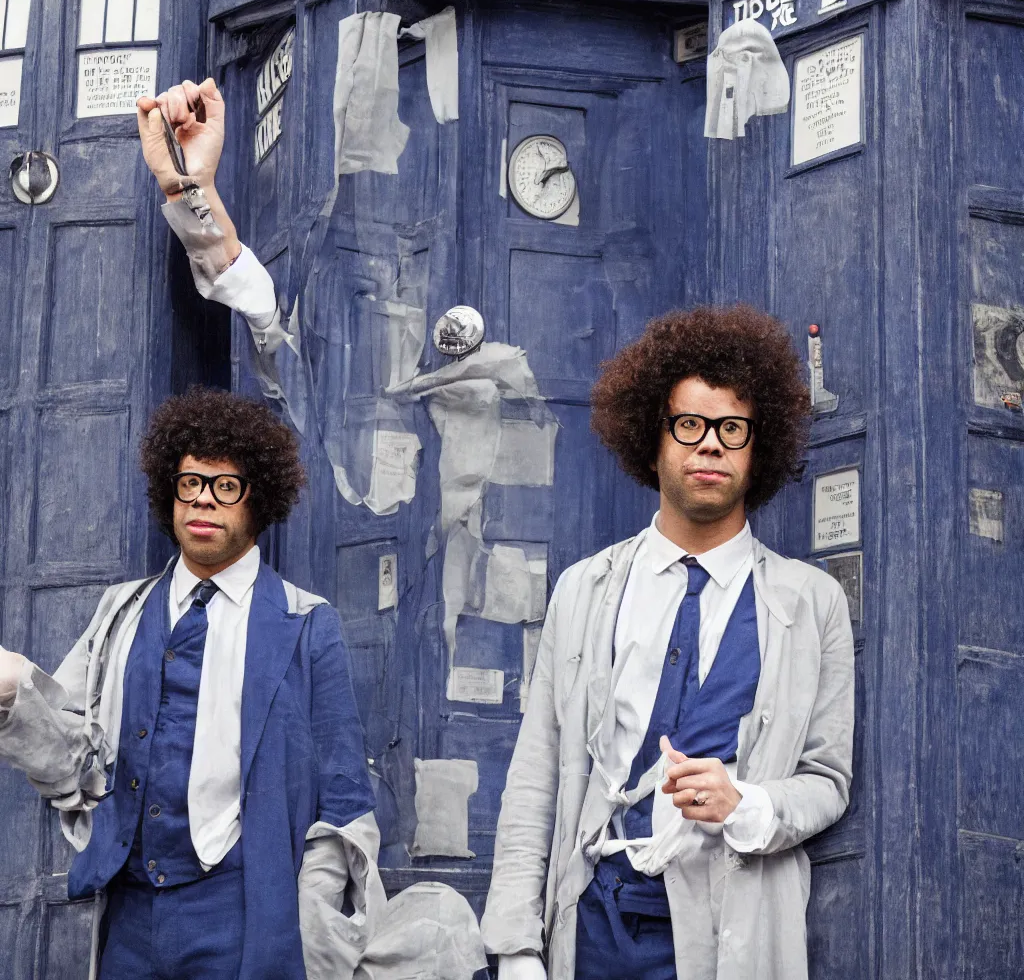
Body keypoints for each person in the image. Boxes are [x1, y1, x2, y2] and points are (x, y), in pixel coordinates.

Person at [0, 78, 487, 980]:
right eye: (190, 485)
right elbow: (73, 759)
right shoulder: (122, 615)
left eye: (226, 487)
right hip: (134, 921)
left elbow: (344, 789)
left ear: (258, 498)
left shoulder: (306, 624)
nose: (203, 503)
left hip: (249, 918)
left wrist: (313, 914)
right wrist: (13, 698)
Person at [480, 307, 856, 980]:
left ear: (756, 449)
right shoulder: (583, 590)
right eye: (689, 424)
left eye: (732, 429)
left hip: (728, 929)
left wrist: (749, 804)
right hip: (593, 921)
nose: (710, 445)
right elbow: (536, 777)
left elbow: (827, 782)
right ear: (652, 441)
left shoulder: (811, 602)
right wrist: (515, 948)